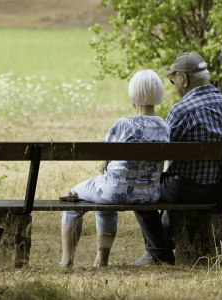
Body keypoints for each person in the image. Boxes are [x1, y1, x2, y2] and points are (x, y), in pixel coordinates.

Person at [130, 52, 222, 266]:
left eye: (173, 80)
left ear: (184, 78)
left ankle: (159, 253)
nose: (174, 85)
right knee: (172, 183)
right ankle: (159, 249)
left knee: (139, 188)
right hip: (220, 189)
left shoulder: (181, 110)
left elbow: (160, 153)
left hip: (186, 190)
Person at [60, 69, 170, 269]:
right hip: (149, 195)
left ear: (133, 96)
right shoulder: (165, 126)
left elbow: (102, 151)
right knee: (104, 202)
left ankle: (66, 262)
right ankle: (101, 260)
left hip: (114, 192)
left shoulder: (124, 125)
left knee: (72, 197)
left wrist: (106, 158)